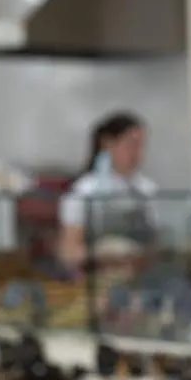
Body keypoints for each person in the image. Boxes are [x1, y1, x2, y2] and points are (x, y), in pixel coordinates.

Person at [59, 112, 158, 268]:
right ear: (108, 144)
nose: (137, 152)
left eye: (141, 145)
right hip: (96, 277)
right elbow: (69, 252)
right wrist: (102, 255)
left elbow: (156, 244)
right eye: (131, 145)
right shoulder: (85, 190)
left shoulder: (147, 189)